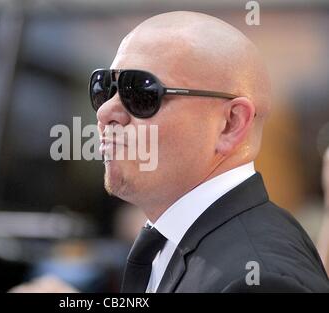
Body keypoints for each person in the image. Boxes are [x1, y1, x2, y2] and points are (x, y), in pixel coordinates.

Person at [90, 11, 329, 292]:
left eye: (142, 92)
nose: (105, 111)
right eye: (103, 88)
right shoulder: (178, 243)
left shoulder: (258, 280)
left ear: (230, 124)